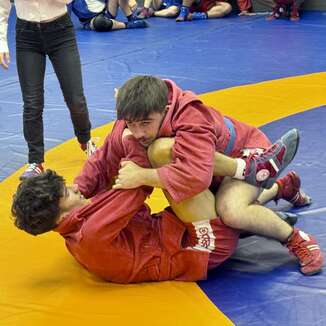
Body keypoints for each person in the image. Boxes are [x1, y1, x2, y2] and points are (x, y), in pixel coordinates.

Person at [11, 135, 322, 282]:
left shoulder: (74, 232)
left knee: (211, 194)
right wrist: (130, 134)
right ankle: (289, 230)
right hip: (204, 246)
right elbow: (138, 183)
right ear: (60, 213)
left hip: (175, 231)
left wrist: (123, 134)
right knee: (161, 152)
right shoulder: (92, 232)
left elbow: (100, 173)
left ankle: (281, 188)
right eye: (67, 192)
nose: (76, 188)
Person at [0, 0, 96, 180]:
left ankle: (86, 139)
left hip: (60, 31)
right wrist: (1, 41)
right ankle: (35, 160)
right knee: (32, 102)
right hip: (26, 34)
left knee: (75, 98)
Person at [69, 0, 148, 32]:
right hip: (91, 20)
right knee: (100, 22)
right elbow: (66, 9)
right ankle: (127, 25)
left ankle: (131, 17)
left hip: (107, 12)